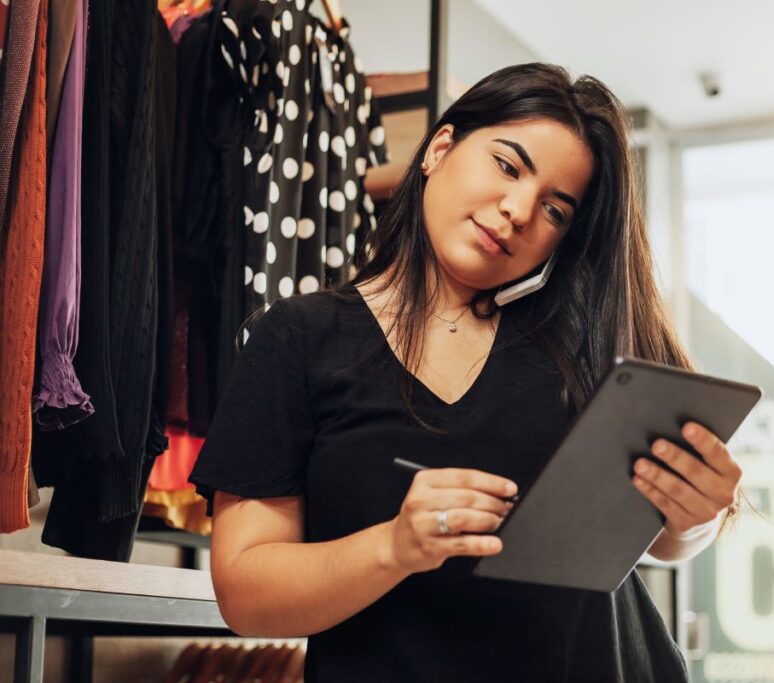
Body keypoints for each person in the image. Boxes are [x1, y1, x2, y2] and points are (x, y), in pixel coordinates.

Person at [189, 62, 744, 682]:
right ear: (441, 148)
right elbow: (245, 595)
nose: (518, 210)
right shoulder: (299, 338)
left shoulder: (585, 340)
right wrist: (394, 547)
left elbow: (663, 542)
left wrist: (696, 516)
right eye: (508, 166)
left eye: (556, 210)